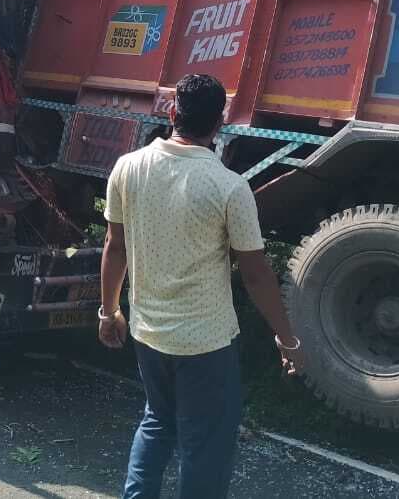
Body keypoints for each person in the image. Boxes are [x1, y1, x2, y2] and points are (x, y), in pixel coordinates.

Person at [98, 73, 305, 499]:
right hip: (206, 345)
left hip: (148, 333)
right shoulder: (229, 187)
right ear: (221, 122)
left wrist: (109, 311)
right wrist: (286, 339)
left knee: (157, 421)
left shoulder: (127, 168)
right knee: (205, 449)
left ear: (172, 112)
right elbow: (255, 274)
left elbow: (114, 246)